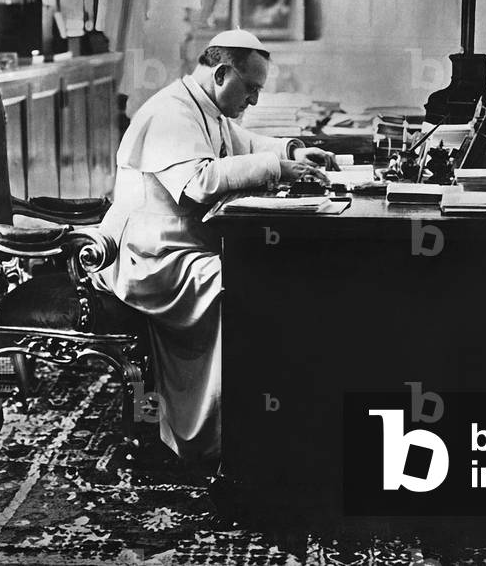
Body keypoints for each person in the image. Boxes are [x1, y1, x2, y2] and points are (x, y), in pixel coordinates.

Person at [93, 29, 336, 464]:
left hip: (179, 248)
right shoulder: (169, 113)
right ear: (223, 74)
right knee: (246, 283)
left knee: (268, 270)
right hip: (151, 259)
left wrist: (293, 152)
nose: (255, 101)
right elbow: (202, 182)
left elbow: (247, 145)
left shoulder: (205, 107)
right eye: (252, 89)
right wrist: (276, 169)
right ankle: (215, 437)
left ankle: (252, 414)